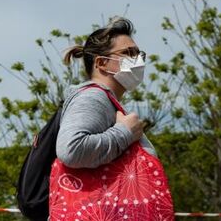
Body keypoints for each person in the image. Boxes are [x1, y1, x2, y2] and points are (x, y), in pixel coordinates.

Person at [56, 17, 156, 169]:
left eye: (139, 54)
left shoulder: (104, 99)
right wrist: (125, 132)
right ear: (101, 62)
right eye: (128, 53)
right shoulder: (93, 97)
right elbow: (71, 150)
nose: (137, 60)